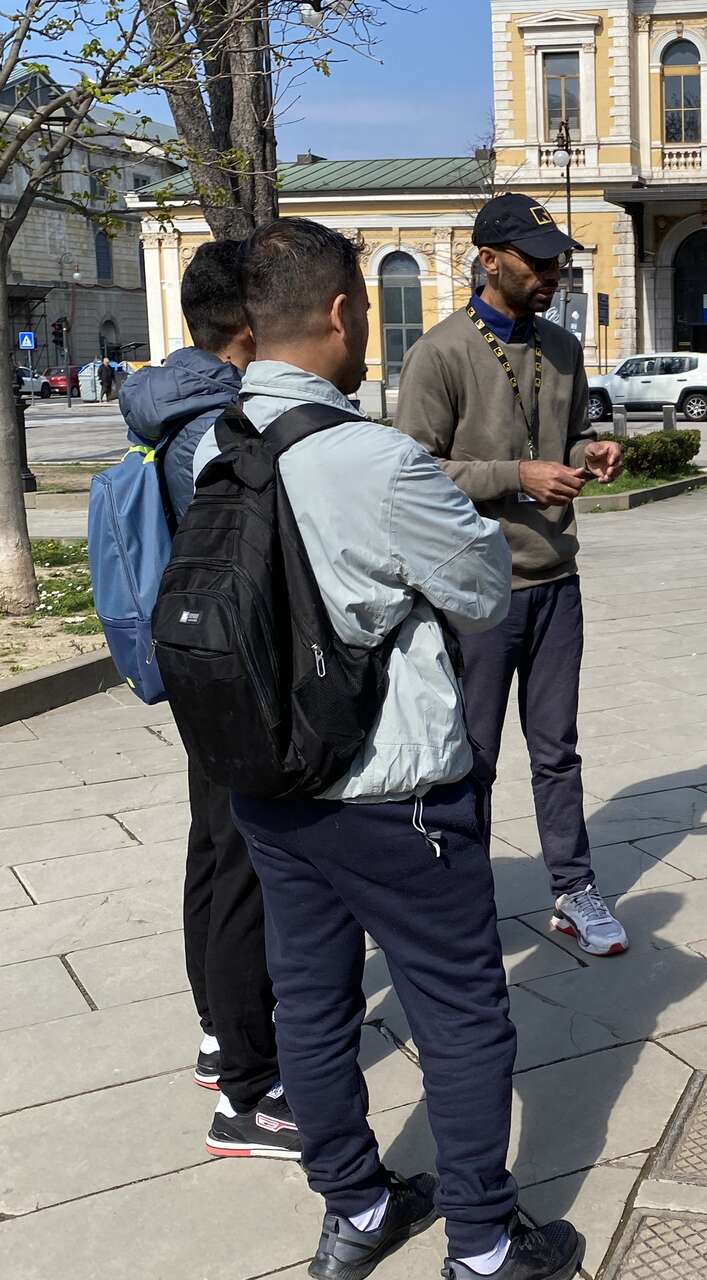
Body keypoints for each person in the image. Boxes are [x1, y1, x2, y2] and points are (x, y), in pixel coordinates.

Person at [192, 218, 584, 1280]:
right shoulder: (371, 457)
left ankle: (356, 1206)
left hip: (270, 783)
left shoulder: (209, 445)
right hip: (389, 785)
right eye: (361, 306)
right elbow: (483, 585)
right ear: (337, 313)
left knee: (311, 999)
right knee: (461, 1008)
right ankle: (484, 1238)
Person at [395, 192, 628, 958]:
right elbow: (415, 473)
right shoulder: (440, 353)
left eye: (558, 259)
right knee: (475, 755)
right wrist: (516, 476)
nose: (554, 272)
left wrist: (592, 452)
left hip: (556, 581)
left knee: (556, 747)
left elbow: (575, 431)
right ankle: (464, 901)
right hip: (476, 592)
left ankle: (573, 887)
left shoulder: (562, 347)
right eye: (537, 260)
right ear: (488, 260)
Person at [117, 239, 283, 1160]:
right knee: (244, 862)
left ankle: (221, 1033)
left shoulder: (168, 399)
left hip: (187, 656)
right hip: (228, 662)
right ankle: (248, 1081)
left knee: (213, 845)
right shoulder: (218, 424)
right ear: (249, 322)